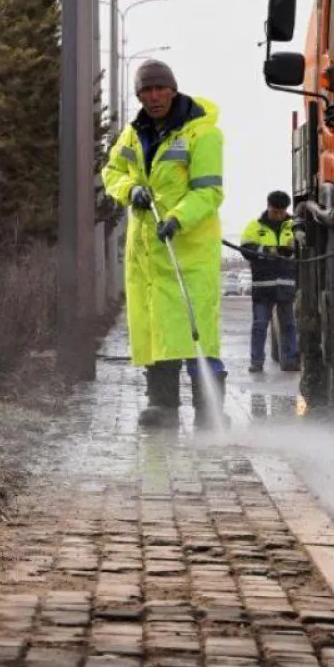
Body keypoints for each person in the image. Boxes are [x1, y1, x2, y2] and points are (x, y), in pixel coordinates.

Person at [101, 59, 226, 429]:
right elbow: (112, 172)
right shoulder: (132, 133)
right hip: (146, 254)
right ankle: (162, 405)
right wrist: (131, 190)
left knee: (194, 330)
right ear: (138, 95)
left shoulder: (202, 135)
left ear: (173, 90)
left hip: (187, 252)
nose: (153, 97)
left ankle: (210, 411)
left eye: (160, 89)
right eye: (146, 91)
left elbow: (209, 192)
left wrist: (177, 218)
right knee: (155, 331)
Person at [239, 191, 300, 373]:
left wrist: (294, 246)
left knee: (288, 325)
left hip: (285, 285)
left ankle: (290, 361)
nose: (279, 216)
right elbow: (245, 248)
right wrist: (265, 250)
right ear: (268, 207)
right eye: (275, 212)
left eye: (282, 212)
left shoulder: (294, 226)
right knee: (259, 325)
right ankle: (256, 362)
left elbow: (304, 249)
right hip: (263, 288)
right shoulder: (254, 226)